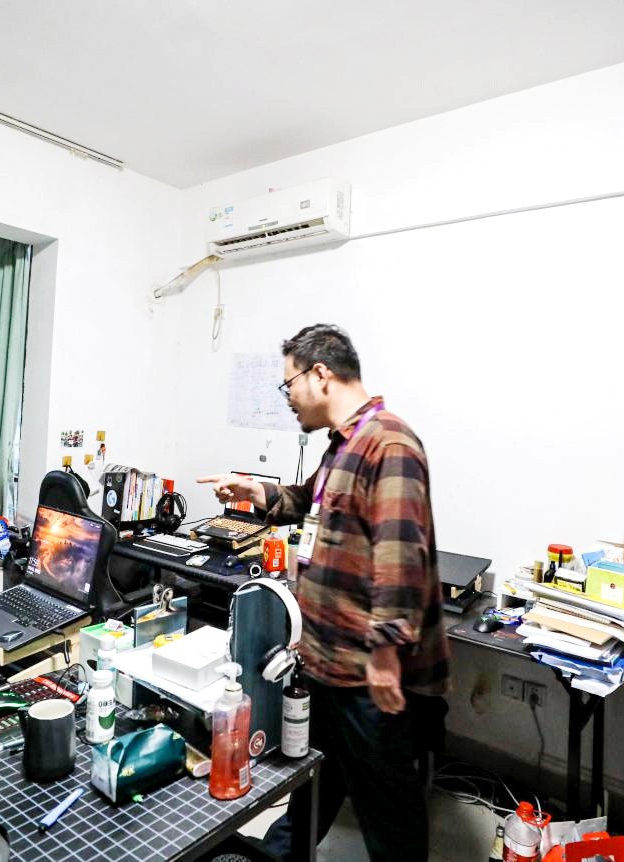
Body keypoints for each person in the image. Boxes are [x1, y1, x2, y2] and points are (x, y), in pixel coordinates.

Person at [200, 324, 447, 861]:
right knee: (314, 785)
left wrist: (385, 654)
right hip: (331, 665)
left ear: (320, 374)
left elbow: (401, 556)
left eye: (288, 384)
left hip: (369, 677)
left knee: (391, 816)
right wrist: (255, 489)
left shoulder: (389, 444)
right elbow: (307, 501)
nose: (286, 397)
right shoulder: (343, 446)